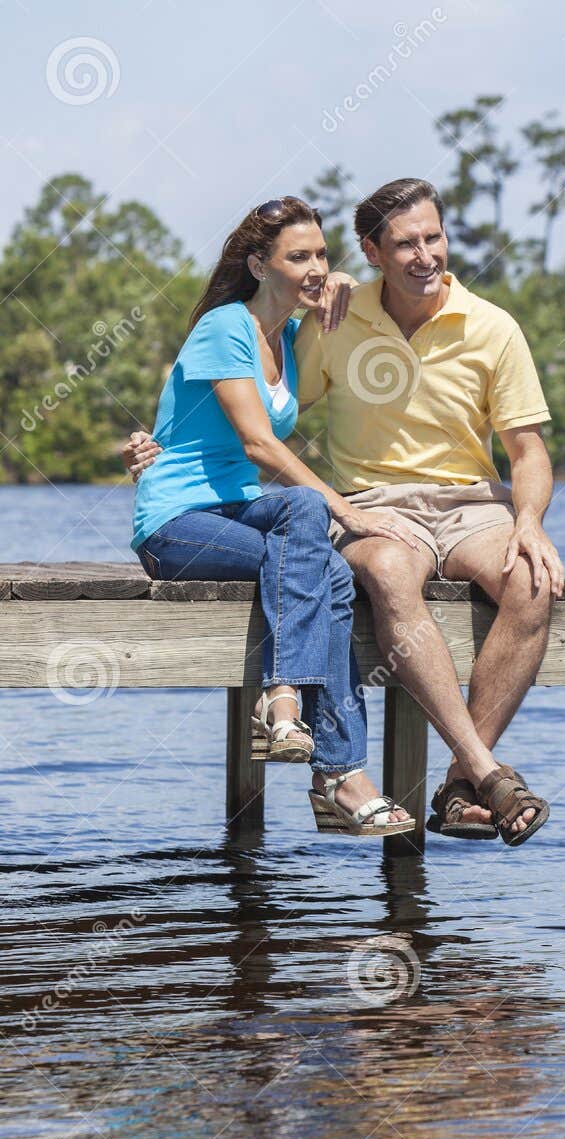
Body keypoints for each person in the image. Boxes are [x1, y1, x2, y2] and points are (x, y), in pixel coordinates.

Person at [127, 179, 558, 847]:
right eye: (404, 243)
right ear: (375, 250)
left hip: (462, 504)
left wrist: (528, 523)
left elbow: (527, 451)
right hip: (305, 510)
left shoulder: (476, 326)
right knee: (353, 559)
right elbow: (246, 427)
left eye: (433, 237)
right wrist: (338, 507)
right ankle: (336, 750)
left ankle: (450, 779)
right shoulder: (292, 324)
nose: (424, 255)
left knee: (519, 580)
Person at [129, 196, 414, 837]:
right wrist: (348, 510)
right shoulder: (224, 327)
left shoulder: (287, 334)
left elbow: (342, 287)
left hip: (239, 511)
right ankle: (323, 755)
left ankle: (309, 742)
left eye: (321, 253)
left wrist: (335, 278)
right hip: (175, 522)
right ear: (258, 265)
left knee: (317, 554)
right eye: (298, 256)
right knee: (323, 555)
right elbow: (259, 444)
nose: (316, 267)